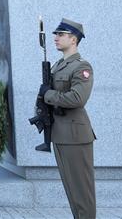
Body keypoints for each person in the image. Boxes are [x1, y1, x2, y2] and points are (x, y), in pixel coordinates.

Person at [39, 18, 96, 219]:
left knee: (82, 191)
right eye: (55, 34)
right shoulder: (58, 66)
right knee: (72, 190)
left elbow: (77, 98)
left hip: (75, 135)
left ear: (73, 39)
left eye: (60, 34)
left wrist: (48, 95)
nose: (55, 38)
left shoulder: (81, 66)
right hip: (61, 133)